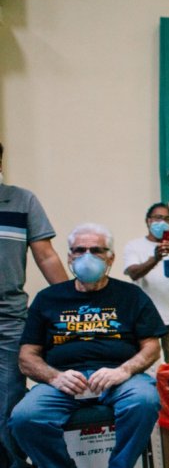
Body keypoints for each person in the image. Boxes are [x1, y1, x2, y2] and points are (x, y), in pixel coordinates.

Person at [11, 223, 165, 468]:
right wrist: (55, 378)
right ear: (69, 257)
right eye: (79, 250)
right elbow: (27, 356)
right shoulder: (47, 298)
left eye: (96, 250)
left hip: (119, 378)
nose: (87, 256)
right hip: (62, 381)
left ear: (110, 258)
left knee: (144, 401)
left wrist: (123, 371)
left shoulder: (131, 295)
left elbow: (152, 347)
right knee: (24, 418)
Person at [0, 141, 68, 468]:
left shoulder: (22, 200)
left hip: (9, 321)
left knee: (8, 401)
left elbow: (46, 256)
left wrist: (71, 301)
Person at [123, 202, 169, 363]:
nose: (162, 222)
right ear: (148, 221)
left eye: (167, 219)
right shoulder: (134, 246)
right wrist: (155, 258)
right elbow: (134, 273)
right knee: (147, 362)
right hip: (146, 316)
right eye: (158, 218)